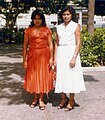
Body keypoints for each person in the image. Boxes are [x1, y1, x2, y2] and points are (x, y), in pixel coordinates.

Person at [54, 6, 86, 111]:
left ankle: (71, 100)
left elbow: (78, 43)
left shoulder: (75, 26)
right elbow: (56, 43)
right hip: (61, 53)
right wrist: (55, 58)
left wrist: (74, 57)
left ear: (71, 15)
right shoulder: (59, 27)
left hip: (71, 52)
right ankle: (63, 98)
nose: (66, 16)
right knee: (62, 76)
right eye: (64, 14)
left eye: (68, 14)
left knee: (71, 76)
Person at [23, 9, 53, 110]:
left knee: (42, 76)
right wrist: (24, 60)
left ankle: (41, 99)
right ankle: (35, 98)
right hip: (32, 55)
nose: (37, 21)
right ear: (32, 19)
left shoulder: (47, 30)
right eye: (35, 19)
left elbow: (51, 44)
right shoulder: (28, 31)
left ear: (42, 19)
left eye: (39, 18)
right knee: (33, 77)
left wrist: (52, 58)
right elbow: (24, 46)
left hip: (44, 55)